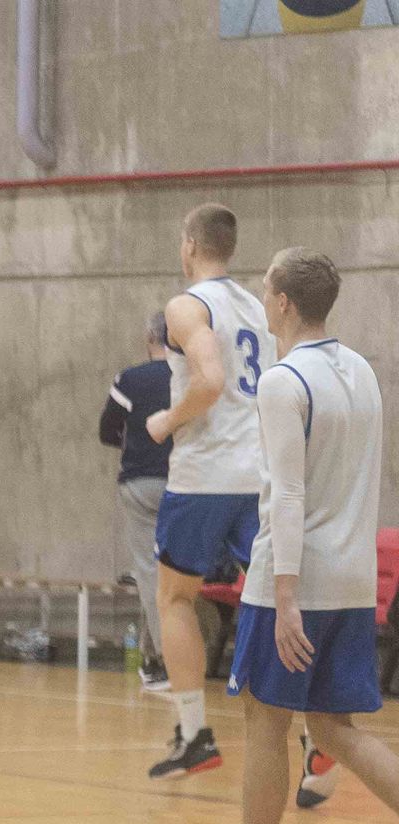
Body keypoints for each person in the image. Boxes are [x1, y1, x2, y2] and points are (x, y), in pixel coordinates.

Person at [182, 247, 394, 824]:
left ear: (282, 302)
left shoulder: (282, 381)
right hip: (354, 578)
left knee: (265, 723)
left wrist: (286, 596)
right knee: (333, 729)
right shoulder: (361, 370)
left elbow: (291, 495)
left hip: (294, 579)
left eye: (266, 285)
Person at [145, 203, 276, 779]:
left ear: (191, 245)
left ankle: (195, 734)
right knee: (278, 599)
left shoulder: (186, 305)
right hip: (262, 472)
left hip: (205, 475)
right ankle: (318, 729)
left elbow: (212, 381)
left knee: (175, 597)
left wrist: (167, 422)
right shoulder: (257, 306)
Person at [99, 311, 173, 690]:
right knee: (174, 573)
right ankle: (154, 658)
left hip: (141, 482)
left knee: (150, 572)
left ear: (149, 338)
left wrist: (133, 442)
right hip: (184, 484)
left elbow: (106, 430)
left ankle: (166, 660)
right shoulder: (191, 379)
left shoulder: (129, 379)